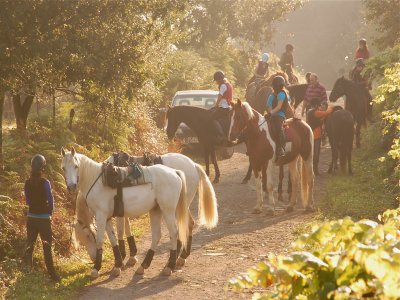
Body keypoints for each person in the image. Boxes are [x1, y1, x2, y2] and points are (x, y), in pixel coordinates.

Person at [23, 154, 60, 282]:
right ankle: (52, 275)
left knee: (30, 246)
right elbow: (51, 201)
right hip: (44, 219)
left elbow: (27, 201)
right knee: (47, 247)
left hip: (31, 218)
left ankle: (28, 274)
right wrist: (49, 214)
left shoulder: (27, 183)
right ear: (42, 167)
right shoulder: (46, 183)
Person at [265, 75, 291, 161]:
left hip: (280, 115)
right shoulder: (271, 95)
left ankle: (281, 148)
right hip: (271, 115)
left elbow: (279, 107)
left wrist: (271, 112)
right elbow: (268, 106)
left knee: (279, 129)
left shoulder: (282, 94)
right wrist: (269, 113)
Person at [306, 98, 334, 175]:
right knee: (316, 153)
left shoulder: (309, 112)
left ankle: (309, 169)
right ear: (316, 105)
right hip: (316, 135)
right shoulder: (316, 113)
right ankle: (315, 170)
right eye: (319, 105)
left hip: (309, 135)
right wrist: (331, 107)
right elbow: (327, 112)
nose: (319, 106)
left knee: (310, 153)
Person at [212, 70, 233, 145]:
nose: (216, 82)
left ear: (219, 79)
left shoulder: (223, 86)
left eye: (216, 80)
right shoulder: (228, 84)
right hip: (228, 106)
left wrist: (216, 105)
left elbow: (220, 96)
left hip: (223, 107)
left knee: (212, 118)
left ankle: (221, 135)